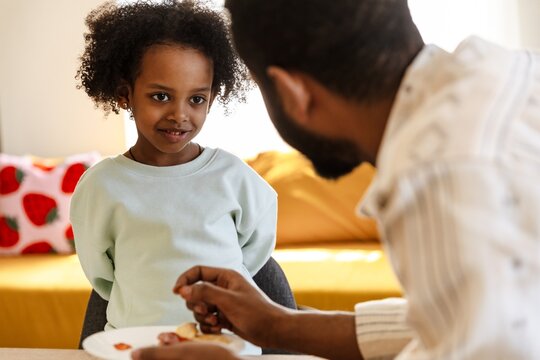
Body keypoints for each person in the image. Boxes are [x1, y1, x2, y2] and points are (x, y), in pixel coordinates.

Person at [132, 0, 540, 359]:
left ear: (294, 93)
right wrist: (276, 325)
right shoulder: (500, 72)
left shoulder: (438, 173)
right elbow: (457, 324)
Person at [70, 0, 277, 342]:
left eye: (196, 99)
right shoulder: (101, 185)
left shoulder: (233, 176)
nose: (180, 115)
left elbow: (254, 254)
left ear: (212, 98)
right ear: (125, 95)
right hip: (132, 343)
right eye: (161, 96)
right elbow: (102, 274)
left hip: (224, 345)